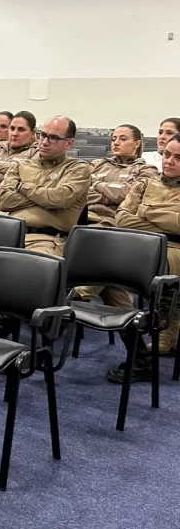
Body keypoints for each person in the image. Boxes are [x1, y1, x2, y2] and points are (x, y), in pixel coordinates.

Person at [0, 115, 91, 337]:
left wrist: (22, 188)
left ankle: (5, 320)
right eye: (43, 135)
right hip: (10, 232)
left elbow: (59, 198)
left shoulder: (78, 169)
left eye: (53, 137)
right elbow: (4, 201)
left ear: (69, 143)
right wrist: (42, 193)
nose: (44, 141)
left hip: (47, 238)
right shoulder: (21, 165)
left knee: (27, 266)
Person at [104, 134, 180, 382]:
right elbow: (123, 218)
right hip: (140, 246)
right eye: (167, 155)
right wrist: (164, 219)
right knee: (108, 273)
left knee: (138, 264)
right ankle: (137, 348)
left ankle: (164, 324)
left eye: (178, 158)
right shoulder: (146, 182)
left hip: (175, 251)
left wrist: (146, 211)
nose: (169, 161)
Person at [70, 124, 158, 311]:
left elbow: (129, 196)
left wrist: (99, 185)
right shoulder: (97, 164)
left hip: (115, 226)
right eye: (114, 138)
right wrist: (111, 190)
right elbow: (83, 192)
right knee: (112, 275)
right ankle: (130, 331)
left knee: (104, 245)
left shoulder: (147, 170)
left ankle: (79, 296)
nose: (116, 142)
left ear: (137, 144)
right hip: (85, 219)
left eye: (123, 138)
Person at [0, 111, 39, 212]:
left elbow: (26, 176)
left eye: (21, 129)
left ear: (32, 133)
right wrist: (12, 175)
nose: (14, 134)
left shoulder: (37, 153)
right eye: (12, 128)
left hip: (7, 211)